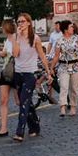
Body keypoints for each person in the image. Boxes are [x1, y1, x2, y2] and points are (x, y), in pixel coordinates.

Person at [10, 13, 48, 141]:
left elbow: (42, 56)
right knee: (25, 102)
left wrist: (48, 71)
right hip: (18, 73)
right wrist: (16, 38)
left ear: (28, 23)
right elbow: (15, 54)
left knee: (24, 102)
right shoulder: (15, 37)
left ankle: (19, 131)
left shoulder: (35, 38)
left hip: (30, 74)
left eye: (22, 21)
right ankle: (35, 126)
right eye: (18, 22)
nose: (20, 24)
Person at [48, 20, 78, 117]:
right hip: (63, 66)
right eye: (71, 27)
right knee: (63, 86)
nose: (73, 28)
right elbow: (56, 56)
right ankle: (62, 107)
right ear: (66, 29)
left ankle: (73, 107)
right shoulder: (59, 41)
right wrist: (51, 68)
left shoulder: (76, 38)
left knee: (74, 88)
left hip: (75, 66)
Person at [0, 20, 16, 138]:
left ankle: (32, 119)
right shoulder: (7, 40)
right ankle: (3, 128)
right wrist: (3, 53)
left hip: (15, 71)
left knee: (19, 101)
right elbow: (6, 53)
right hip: (5, 71)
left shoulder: (15, 39)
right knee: (3, 100)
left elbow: (14, 53)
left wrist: (4, 53)